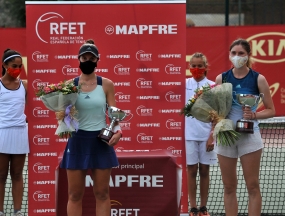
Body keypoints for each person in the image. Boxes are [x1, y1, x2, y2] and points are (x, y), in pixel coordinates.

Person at [60, 39, 122, 216]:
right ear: (78, 59)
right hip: (77, 141)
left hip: (100, 141)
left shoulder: (107, 84)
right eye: (84, 57)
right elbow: (64, 114)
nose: (88, 61)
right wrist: (63, 124)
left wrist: (119, 131)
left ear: (97, 61)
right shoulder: (69, 85)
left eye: (91, 58)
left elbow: (114, 113)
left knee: (102, 194)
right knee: (74, 194)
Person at [214, 38, 275, 215]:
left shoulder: (258, 79)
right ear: (229, 55)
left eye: (241, 53)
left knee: (253, 186)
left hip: (250, 138)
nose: (237, 56)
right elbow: (216, 109)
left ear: (248, 55)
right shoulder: (222, 78)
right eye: (234, 53)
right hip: (225, 137)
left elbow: (271, 110)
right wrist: (213, 117)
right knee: (228, 187)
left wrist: (254, 115)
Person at [185, 52, 217, 216]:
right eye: (193, 65)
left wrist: (212, 135)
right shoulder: (184, 84)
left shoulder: (212, 86)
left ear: (205, 67)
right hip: (189, 136)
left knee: (205, 171)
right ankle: (193, 207)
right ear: (189, 67)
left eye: (199, 66)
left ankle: (203, 207)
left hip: (206, 137)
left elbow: (217, 114)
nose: (196, 69)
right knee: (191, 171)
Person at [0, 49, 29, 216]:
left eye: (20, 66)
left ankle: (18, 211)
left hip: (20, 134)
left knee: (17, 174)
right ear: (4, 65)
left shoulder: (24, 85)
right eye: (13, 66)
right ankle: (1, 211)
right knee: (1, 175)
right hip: (2, 133)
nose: (17, 69)